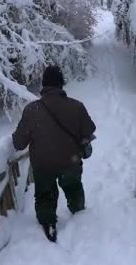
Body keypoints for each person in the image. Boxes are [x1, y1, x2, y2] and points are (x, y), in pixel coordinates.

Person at [12, 66, 96, 242]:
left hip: (43, 166)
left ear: (44, 85)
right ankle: (79, 216)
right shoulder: (76, 106)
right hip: (70, 162)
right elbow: (89, 130)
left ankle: (48, 223)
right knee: (73, 188)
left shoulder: (32, 110)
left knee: (44, 195)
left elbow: (19, 143)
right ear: (61, 84)